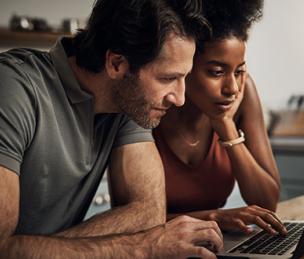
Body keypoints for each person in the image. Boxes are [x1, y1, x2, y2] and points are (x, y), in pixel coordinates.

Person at [0, 0, 224, 258]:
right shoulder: (12, 89)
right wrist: (143, 246)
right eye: (168, 78)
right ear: (116, 64)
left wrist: (37, 251)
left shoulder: (128, 101)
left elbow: (148, 213)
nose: (180, 98)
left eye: (183, 77)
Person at [154, 0, 287, 236]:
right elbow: (132, 222)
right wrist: (213, 217)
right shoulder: (153, 103)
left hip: (215, 245)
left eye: (239, 71)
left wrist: (225, 126)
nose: (232, 88)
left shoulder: (242, 95)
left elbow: (267, 203)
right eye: (216, 72)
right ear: (185, 65)